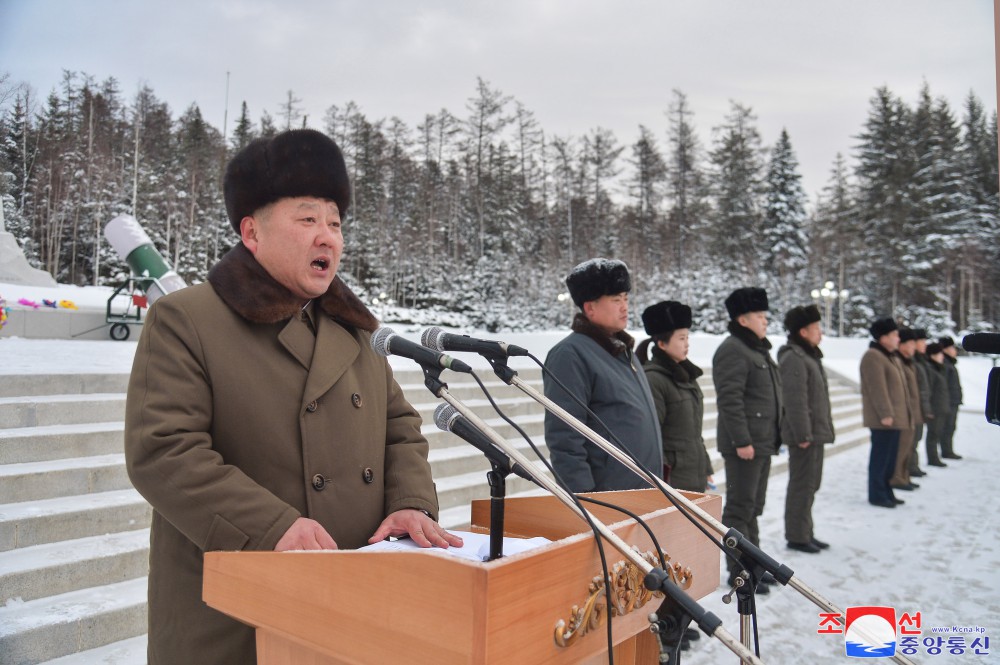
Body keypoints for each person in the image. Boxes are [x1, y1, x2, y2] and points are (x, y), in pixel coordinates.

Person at [124, 129, 462, 664]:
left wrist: (410, 504)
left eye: (334, 222)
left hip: (355, 601)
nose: (327, 236)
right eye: (307, 220)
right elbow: (164, 451)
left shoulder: (357, 330)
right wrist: (272, 526)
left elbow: (399, 429)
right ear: (251, 231)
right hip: (239, 612)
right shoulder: (188, 319)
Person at [542, 259, 663, 492]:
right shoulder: (570, 355)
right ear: (590, 308)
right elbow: (565, 437)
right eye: (616, 300)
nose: (625, 307)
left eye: (626, 299)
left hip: (644, 490)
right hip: (610, 497)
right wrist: (586, 500)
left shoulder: (624, 351)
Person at [713, 287, 782, 589]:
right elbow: (730, 399)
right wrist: (742, 440)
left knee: (752, 507)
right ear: (742, 319)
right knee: (740, 509)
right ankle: (739, 570)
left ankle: (755, 563)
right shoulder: (733, 349)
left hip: (761, 442)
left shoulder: (756, 349)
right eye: (759, 316)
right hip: (745, 445)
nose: (765, 321)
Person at [636, 300, 713, 492]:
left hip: (693, 472)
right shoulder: (654, 379)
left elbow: (695, 433)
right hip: (672, 480)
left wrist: (706, 467)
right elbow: (651, 437)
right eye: (681, 339)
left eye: (687, 338)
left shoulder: (687, 376)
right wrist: (662, 480)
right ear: (662, 343)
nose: (687, 344)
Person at [778, 304, 834, 554]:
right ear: (802, 331)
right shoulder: (794, 358)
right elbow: (795, 400)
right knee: (802, 485)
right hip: (805, 436)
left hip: (814, 433)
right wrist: (802, 434)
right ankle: (797, 536)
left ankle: (805, 531)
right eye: (816, 328)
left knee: (811, 484)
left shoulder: (808, 355)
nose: (820, 333)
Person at [859, 317, 913, 508]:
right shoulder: (873, 356)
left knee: (890, 459)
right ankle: (877, 494)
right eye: (894, 335)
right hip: (884, 419)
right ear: (883, 338)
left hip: (895, 418)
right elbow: (877, 389)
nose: (898, 338)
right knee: (880, 459)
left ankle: (887, 490)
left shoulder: (889, 356)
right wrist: (885, 413)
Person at [889, 327, 923, 492]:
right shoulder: (898, 361)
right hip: (902, 413)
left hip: (910, 412)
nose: (913, 347)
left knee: (909, 447)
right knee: (902, 448)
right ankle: (897, 477)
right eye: (910, 343)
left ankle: (904, 476)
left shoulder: (908, 361)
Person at [908, 329, 932, 478]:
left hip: (921, 407)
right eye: (921, 341)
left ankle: (913, 466)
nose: (924, 345)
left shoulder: (922, 360)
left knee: (916, 440)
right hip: (914, 408)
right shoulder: (913, 361)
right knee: (911, 441)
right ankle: (910, 468)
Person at [924, 342, 952, 467]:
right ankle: (933, 458)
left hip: (941, 406)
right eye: (939, 354)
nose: (942, 356)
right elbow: (928, 390)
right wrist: (929, 409)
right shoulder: (931, 369)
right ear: (932, 355)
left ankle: (936, 457)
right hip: (935, 408)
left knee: (938, 432)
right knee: (933, 434)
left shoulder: (939, 368)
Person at [938, 336, 964, 460]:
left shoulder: (949, 363)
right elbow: (943, 385)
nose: (955, 350)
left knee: (951, 426)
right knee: (947, 427)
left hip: (953, 400)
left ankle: (948, 449)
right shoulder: (945, 364)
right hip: (948, 401)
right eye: (952, 347)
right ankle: (946, 450)